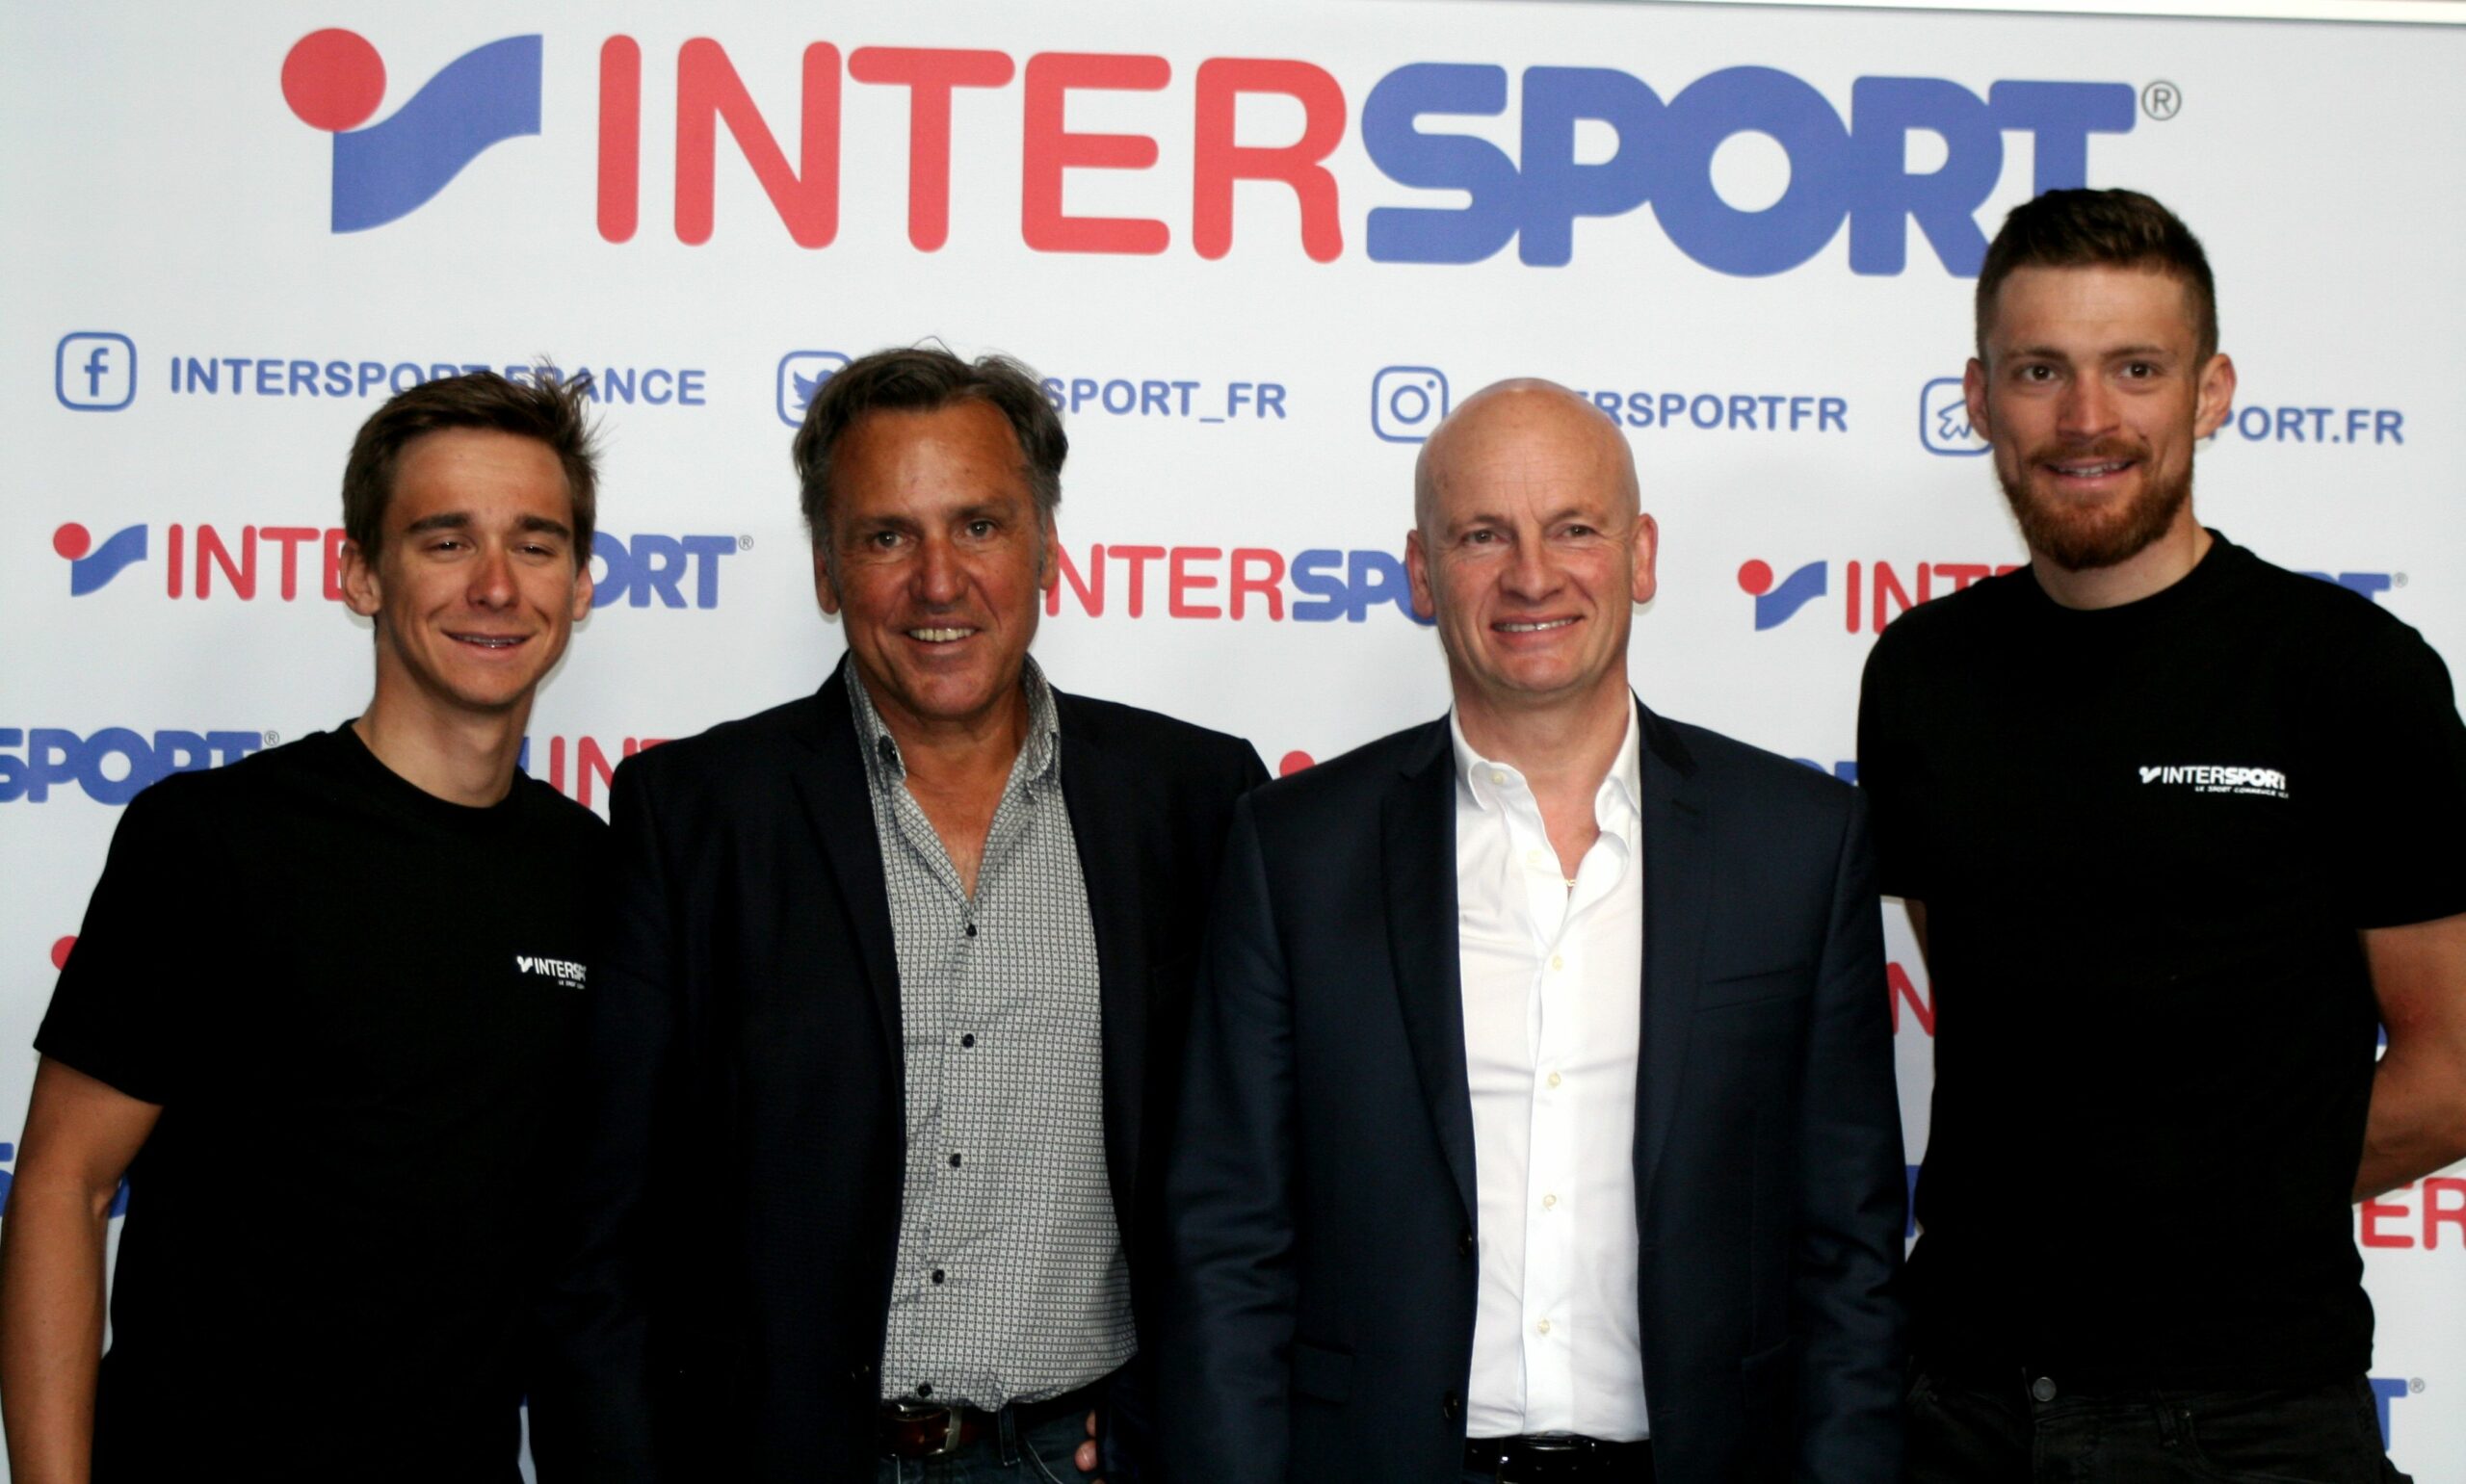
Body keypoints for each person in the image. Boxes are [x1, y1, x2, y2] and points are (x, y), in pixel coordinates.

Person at [531, 347, 1268, 1483]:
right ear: (827, 568)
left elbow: (1262, 1193)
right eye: (886, 535)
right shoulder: (698, 815)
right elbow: (604, 1239)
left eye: (978, 525)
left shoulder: (1198, 802)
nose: (938, 581)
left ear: (1045, 546)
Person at [1159, 379, 1906, 1484]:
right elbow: (1228, 1240)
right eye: (1481, 535)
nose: (1531, 574)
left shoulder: (1798, 843)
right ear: (1421, 572)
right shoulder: (1294, 850)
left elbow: (1848, 1249)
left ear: (1640, 555)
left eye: (1573, 528)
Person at [1859, 187, 2466, 1482]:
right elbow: (1991, 1004)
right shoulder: (1921, 673)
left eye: (2135, 368)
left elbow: (2455, 1067)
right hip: (1957, 1407)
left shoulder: (2352, 675)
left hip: (2248, 1421)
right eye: (2041, 371)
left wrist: (2206, 1206)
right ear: (1979, 398)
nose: (2087, 418)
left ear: (2210, 392)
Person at [0, 371, 608, 1482]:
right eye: (444, 541)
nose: (494, 584)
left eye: (535, 543)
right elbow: (62, 1184)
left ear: (578, 585)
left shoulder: (598, 874)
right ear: (359, 573)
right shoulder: (212, 839)